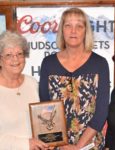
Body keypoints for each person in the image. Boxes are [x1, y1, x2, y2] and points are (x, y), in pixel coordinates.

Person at [39, 7, 110, 150]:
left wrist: (78, 146)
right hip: (58, 145)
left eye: (79, 26)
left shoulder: (100, 64)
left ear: (86, 31)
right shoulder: (48, 63)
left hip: (90, 144)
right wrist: (62, 145)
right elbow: (44, 107)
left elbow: (102, 112)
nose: (73, 31)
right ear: (62, 31)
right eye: (68, 25)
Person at [0, 30, 49, 150]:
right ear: (0, 60)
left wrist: (50, 139)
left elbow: (42, 119)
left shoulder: (32, 83)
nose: (15, 59)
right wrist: (26, 144)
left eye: (19, 54)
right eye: (9, 55)